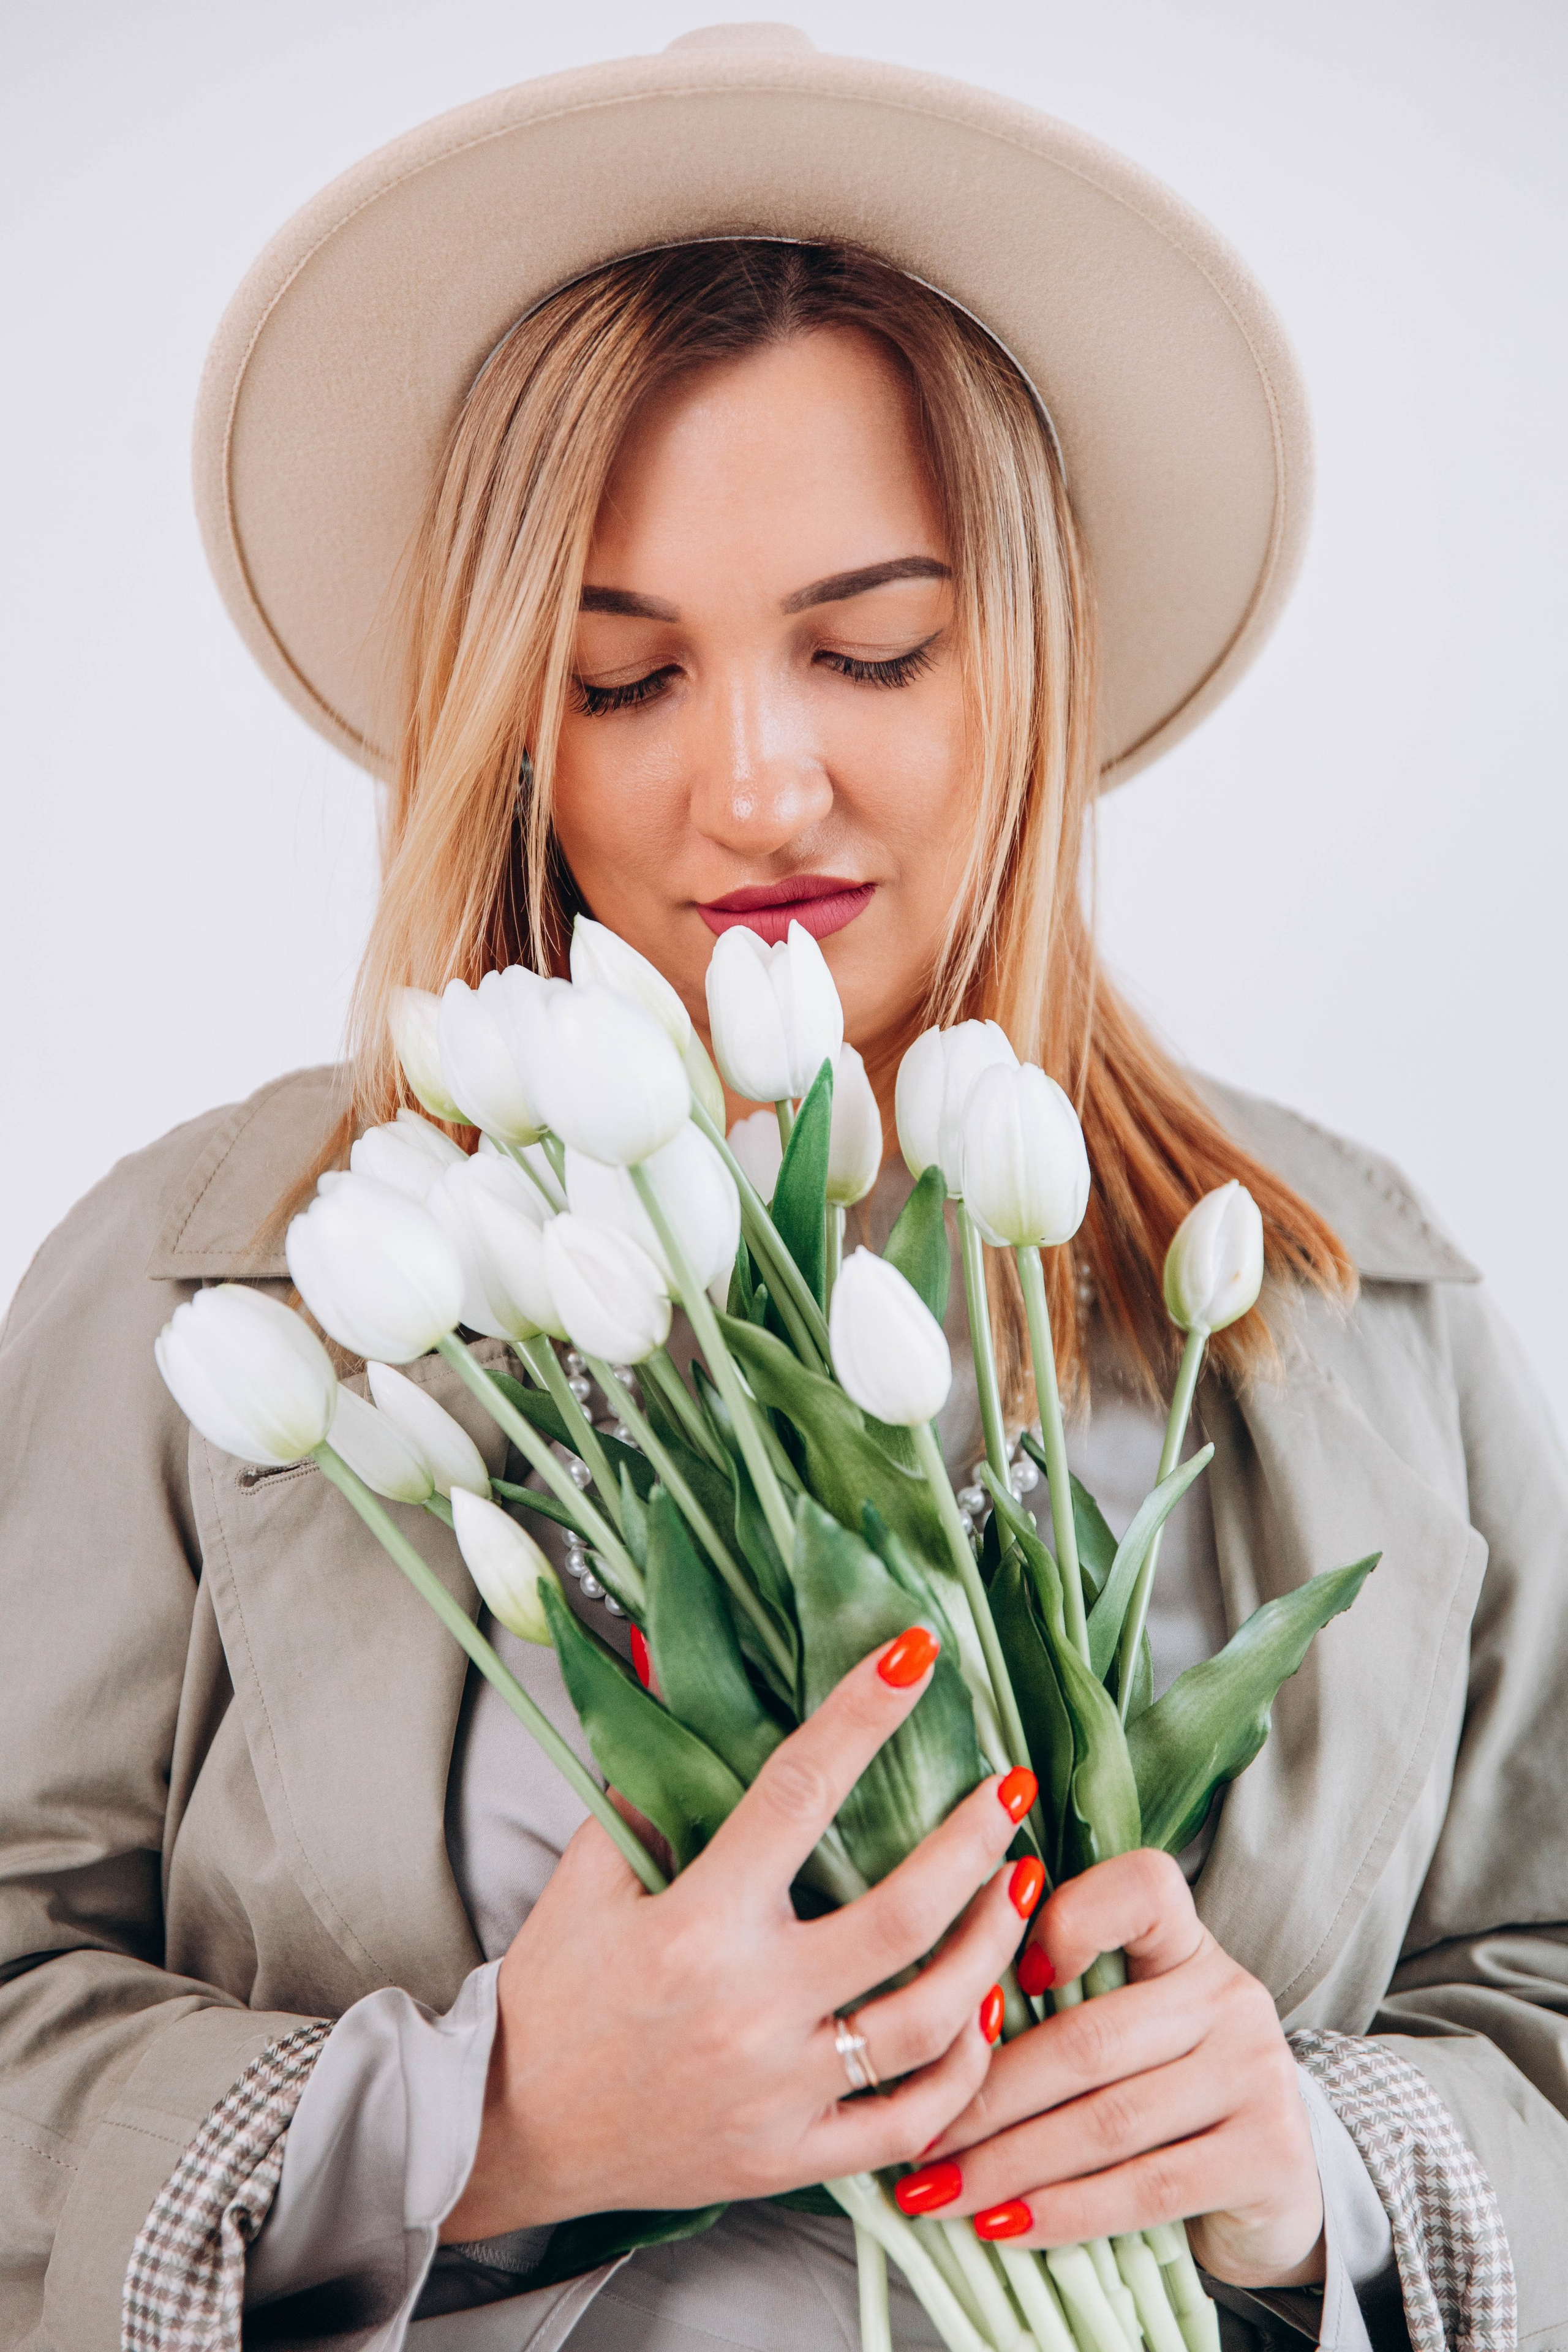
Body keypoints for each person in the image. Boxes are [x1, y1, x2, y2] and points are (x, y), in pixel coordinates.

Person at [2, 27, 1562, 2352]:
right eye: (625, 679)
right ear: (505, 718)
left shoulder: (1353, 1299)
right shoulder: (225, 1273)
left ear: (1023, 658)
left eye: (871, 648)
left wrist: (1303, 2162)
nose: (756, 784)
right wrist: (500, 2125)